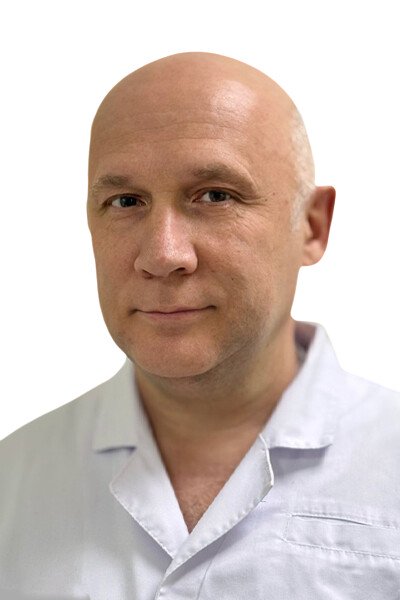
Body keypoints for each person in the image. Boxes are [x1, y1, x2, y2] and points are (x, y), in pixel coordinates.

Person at [0, 52, 399, 600]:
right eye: (125, 201)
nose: (163, 255)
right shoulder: (12, 482)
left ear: (311, 226)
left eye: (215, 195)